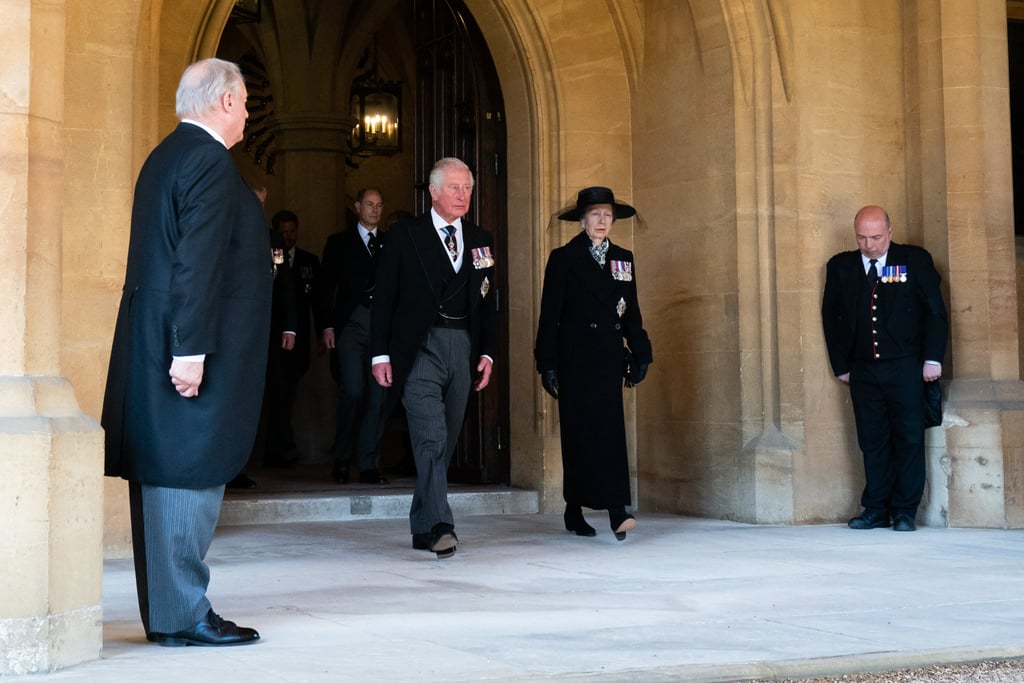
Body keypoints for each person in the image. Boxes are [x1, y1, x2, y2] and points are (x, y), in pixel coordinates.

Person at [101, 58, 269, 646]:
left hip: (156, 341)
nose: (248, 112)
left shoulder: (167, 155)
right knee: (184, 471)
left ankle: (172, 613)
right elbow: (194, 264)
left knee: (165, 470)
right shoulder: (206, 160)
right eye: (245, 102)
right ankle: (184, 615)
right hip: (183, 349)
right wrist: (190, 351)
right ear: (223, 102)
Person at [370, 157, 497, 559]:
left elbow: (489, 301)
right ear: (433, 191)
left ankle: (422, 526)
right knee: (431, 438)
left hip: (462, 346)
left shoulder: (480, 239)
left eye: (468, 189)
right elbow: (384, 300)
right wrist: (379, 354)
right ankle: (442, 525)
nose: (463, 195)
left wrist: (488, 353)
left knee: (447, 438)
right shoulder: (405, 235)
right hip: (419, 347)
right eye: (455, 188)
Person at [535, 186, 653, 541]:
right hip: (575, 357)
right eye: (595, 214)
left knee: (611, 432)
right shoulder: (563, 258)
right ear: (582, 219)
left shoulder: (623, 258)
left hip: (608, 356)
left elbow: (631, 310)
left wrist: (642, 353)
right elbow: (549, 316)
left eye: (607, 215)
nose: (602, 221)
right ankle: (574, 508)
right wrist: (547, 363)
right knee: (579, 434)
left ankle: (618, 509)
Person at [822, 205, 948, 532]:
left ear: (890, 233)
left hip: (906, 367)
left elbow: (934, 311)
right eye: (862, 237)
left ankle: (904, 511)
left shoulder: (914, 260)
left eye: (876, 237)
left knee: (907, 437)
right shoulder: (840, 267)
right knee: (872, 439)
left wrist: (933, 358)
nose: (870, 244)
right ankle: (876, 508)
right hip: (863, 369)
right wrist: (841, 365)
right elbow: (831, 317)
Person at [317, 188, 389, 484]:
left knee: (378, 395)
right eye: (369, 204)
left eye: (379, 205)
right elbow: (324, 287)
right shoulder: (338, 243)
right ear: (357, 206)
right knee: (353, 391)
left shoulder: (390, 242)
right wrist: (326, 326)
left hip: (383, 327)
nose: (374, 210)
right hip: (350, 324)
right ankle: (342, 458)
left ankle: (369, 463)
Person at [264, 209, 320, 467]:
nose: (287, 237)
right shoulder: (270, 255)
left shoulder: (309, 260)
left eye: (291, 232)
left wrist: (322, 333)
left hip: (298, 342)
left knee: (287, 394)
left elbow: (317, 303)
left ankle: (281, 446)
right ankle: (281, 448)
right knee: (275, 394)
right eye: (283, 232)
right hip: (271, 338)